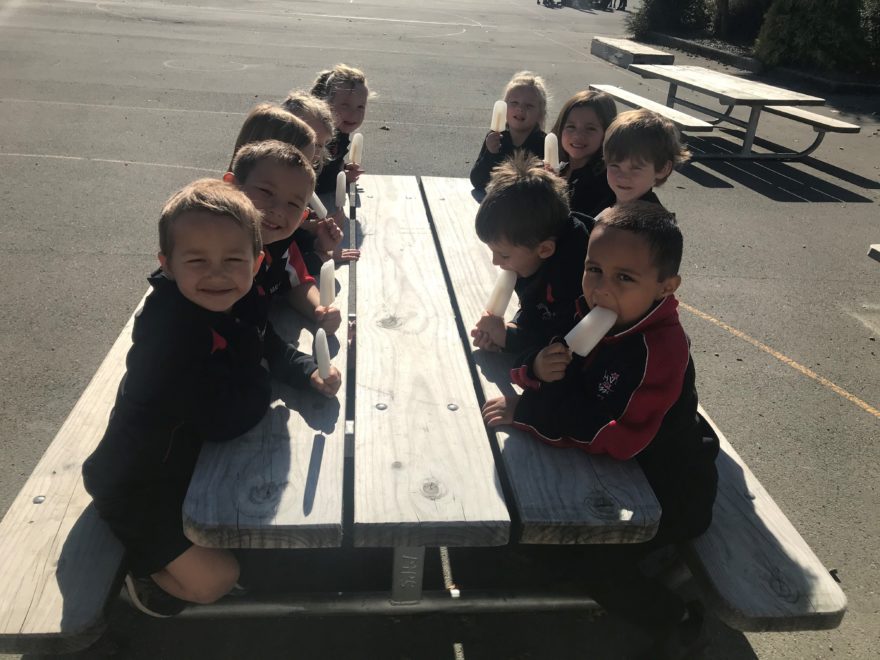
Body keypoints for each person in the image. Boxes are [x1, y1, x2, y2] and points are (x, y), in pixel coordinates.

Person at [82, 179, 341, 618]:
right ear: (167, 264)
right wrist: (261, 386)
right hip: (136, 483)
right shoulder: (169, 333)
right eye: (197, 260)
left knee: (256, 521)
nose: (217, 273)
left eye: (233, 260)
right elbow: (222, 419)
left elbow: (266, 344)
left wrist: (307, 371)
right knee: (217, 579)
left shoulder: (237, 298)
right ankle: (140, 574)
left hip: (188, 456)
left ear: (257, 263)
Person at [482, 202, 718, 658]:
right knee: (545, 537)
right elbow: (555, 360)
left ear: (665, 287)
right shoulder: (591, 311)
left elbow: (619, 435)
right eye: (594, 269)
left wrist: (530, 413)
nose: (601, 289)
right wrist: (535, 368)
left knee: (597, 566)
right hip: (608, 468)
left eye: (624, 278)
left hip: (669, 489)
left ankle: (676, 616)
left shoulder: (660, 349)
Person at [470, 153, 590, 356]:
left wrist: (510, 338)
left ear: (545, 249)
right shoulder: (531, 257)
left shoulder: (576, 277)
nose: (495, 262)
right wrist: (510, 329)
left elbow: (563, 342)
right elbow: (534, 307)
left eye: (504, 255)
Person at [223, 140, 343, 336]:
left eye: (293, 205)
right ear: (231, 187)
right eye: (266, 192)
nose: (278, 210)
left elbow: (296, 282)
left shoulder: (280, 245)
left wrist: (320, 310)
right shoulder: (210, 248)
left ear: (303, 217)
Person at [282, 89, 361, 271]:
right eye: (307, 140)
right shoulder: (273, 189)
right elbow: (277, 269)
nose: (315, 153)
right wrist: (320, 257)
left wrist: (316, 240)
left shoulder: (300, 178)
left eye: (320, 145)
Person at [469, 71, 549, 192]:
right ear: (504, 108)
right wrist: (490, 153)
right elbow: (477, 181)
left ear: (540, 113)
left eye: (529, 106)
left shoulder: (543, 142)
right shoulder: (495, 137)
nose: (520, 109)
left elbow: (547, 189)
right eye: (514, 103)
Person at [549, 90, 618, 218]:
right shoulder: (559, 170)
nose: (578, 136)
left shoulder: (603, 183)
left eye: (590, 128)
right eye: (571, 127)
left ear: (607, 134)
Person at [603, 109, 691, 208]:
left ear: (663, 169)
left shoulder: (653, 221)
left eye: (635, 168)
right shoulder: (607, 202)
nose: (622, 177)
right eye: (615, 165)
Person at [310, 64, 370, 196]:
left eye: (360, 107)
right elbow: (315, 183)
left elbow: (328, 166)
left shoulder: (339, 130)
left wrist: (341, 168)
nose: (353, 114)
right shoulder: (319, 137)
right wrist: (342, 178)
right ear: (325, 104)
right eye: (345, 105)